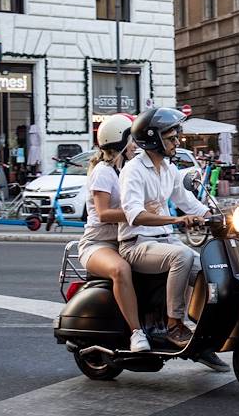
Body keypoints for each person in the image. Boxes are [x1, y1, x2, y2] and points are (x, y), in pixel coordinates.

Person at [119, 107, 210, 349]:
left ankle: (201, 321)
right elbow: (134, 215)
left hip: (164, 242)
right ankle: (173, 324)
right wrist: (177, 220)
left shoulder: (169, 170)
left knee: (207, 266)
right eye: (170, 138)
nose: (176, 142)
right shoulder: (134, 170)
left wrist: (221, 216)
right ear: (153, 140)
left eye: (175, 137)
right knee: (181, 256)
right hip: (136, 244)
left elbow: (188, 203)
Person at [79, 114, 149, 352]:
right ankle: (136, 333)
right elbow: (104, 214)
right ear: (118, 141)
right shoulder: (103, 172)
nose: (135, 145)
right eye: (131, 140)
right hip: (97, 245)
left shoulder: (127, 170)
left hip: (124, 241)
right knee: (121, 269)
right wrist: (139, 212)